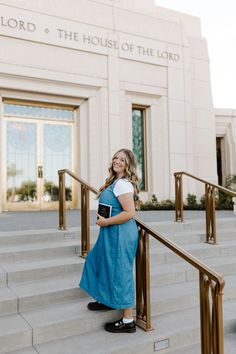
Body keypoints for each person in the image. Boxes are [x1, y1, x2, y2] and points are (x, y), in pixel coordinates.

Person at [79, 148, 139, 333]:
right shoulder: (115, 182)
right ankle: (107, 299)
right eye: (115, 157)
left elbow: (130, 213)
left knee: (121, 272)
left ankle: (128, 321)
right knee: (97, 261)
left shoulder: (123, 184)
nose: (117, 161)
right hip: (111, 230)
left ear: (128, 164)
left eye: (122, 159)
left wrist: (106, 221)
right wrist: (104, 217)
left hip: (119, 233)